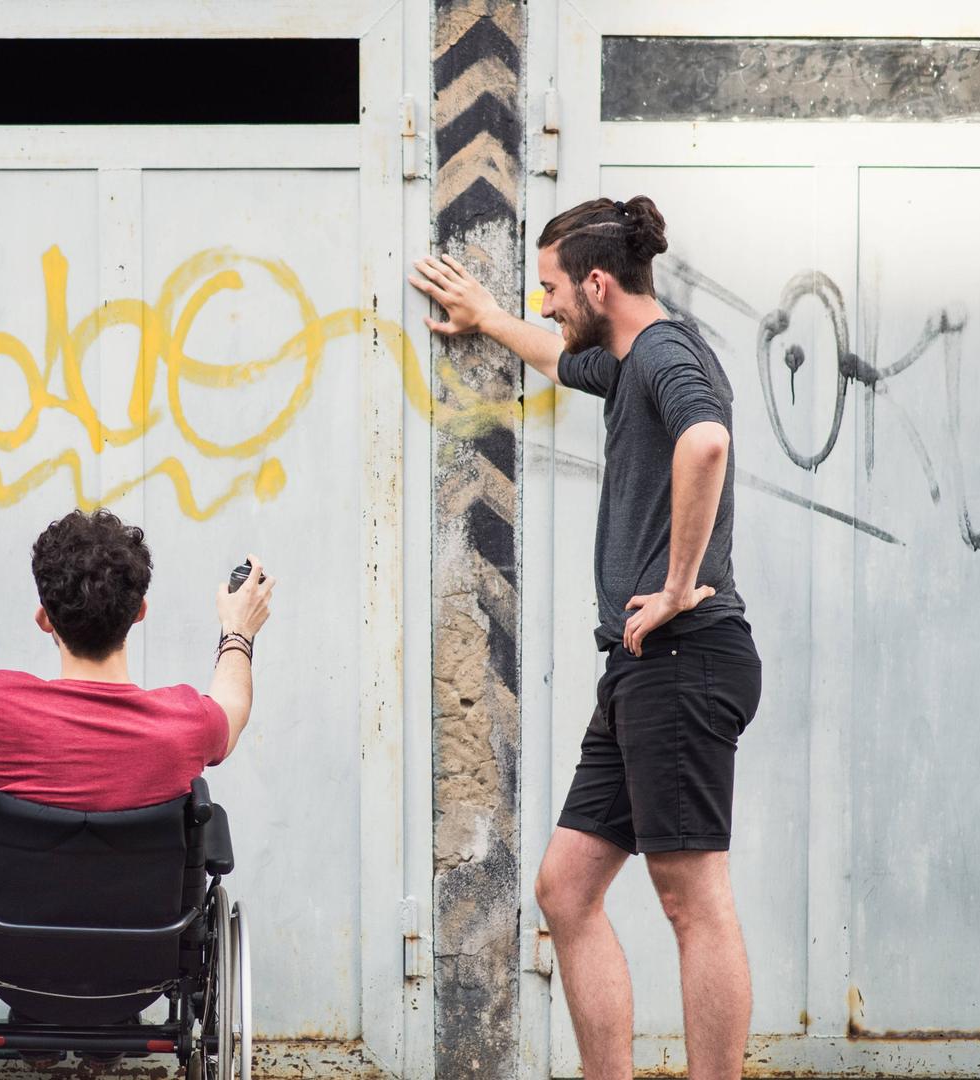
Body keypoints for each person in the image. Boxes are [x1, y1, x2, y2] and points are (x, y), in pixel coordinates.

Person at [410, 197, 762, 1080]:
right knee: (566, 891)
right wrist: (488, 318)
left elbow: (708, 443)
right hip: (643, 668)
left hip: (685, 656)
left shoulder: (668, 356)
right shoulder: (629, 357)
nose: (548, 305)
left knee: (691, 900)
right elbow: (558, 356)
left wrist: (677, 587)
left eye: (552, 288)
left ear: (599, 283)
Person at [0, 509, 274, 815]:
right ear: (139, 612)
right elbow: (234, 705)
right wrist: (238, 628)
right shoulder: (187, 722)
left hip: (18, 898)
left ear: (45, 619)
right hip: (146, 900)